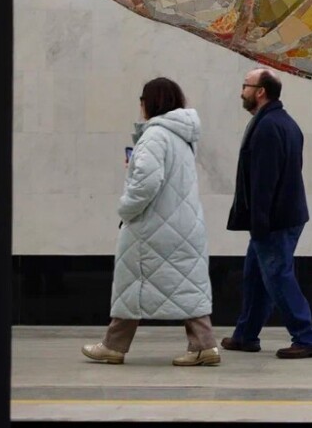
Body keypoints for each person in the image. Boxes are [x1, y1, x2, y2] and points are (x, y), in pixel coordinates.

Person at [82, 77, 220, 366]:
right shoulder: (182, 136)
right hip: (183, 224)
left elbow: (146, 183)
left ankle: (114, 346)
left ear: (150, 102)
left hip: (153, 226)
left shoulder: (155, 135)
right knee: (187, 284)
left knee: (132, 282)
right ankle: (204, 345)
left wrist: (126, 209)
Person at [222, 67, 312, 359]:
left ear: (261, 91)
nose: (242, 91)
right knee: (255, 276)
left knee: (278, 276)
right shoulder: (285, 123)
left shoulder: (268, 127)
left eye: (246, 85)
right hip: (284, 215)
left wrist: (259, 223)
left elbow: (264, 181)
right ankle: (246, 335)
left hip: (274, 220)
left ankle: (306, 336)